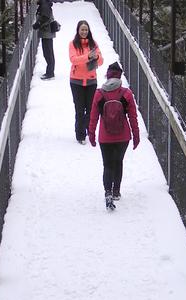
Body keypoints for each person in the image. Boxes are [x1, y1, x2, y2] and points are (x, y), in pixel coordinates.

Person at [88, 62, 140, 210]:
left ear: (108, 75)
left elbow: (93, 117)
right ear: (120, 76)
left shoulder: (99, 93)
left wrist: (91, 134)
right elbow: (133, 117)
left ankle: (108, 192)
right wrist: (136, 136)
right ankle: (116, 190)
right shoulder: (126, 94)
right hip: (123, 137)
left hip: (105, 137)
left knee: (107, 164)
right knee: (118, 162)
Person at [69, 20, 103, 144]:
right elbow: (73, 60)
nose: (84, 32)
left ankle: (90, 131)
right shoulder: (73, 44)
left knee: (90, 109)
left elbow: (101, 62)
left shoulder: (94, 44)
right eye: (82, 29)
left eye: (86, 30)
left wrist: (97, 57)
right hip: (76, 81)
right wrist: (88, 56)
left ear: (89, 31)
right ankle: (80, 135)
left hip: (91, 81)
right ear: (78, 31)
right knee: (79, 109)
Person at [32, 0, 57, 80]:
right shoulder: (43, 4)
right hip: (46, 32)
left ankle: (50, 73)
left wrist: (37, 24)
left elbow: (45, 17)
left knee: (48, 53)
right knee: (48, 52)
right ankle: (50, 72)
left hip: (47, 32)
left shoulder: (44, 5)